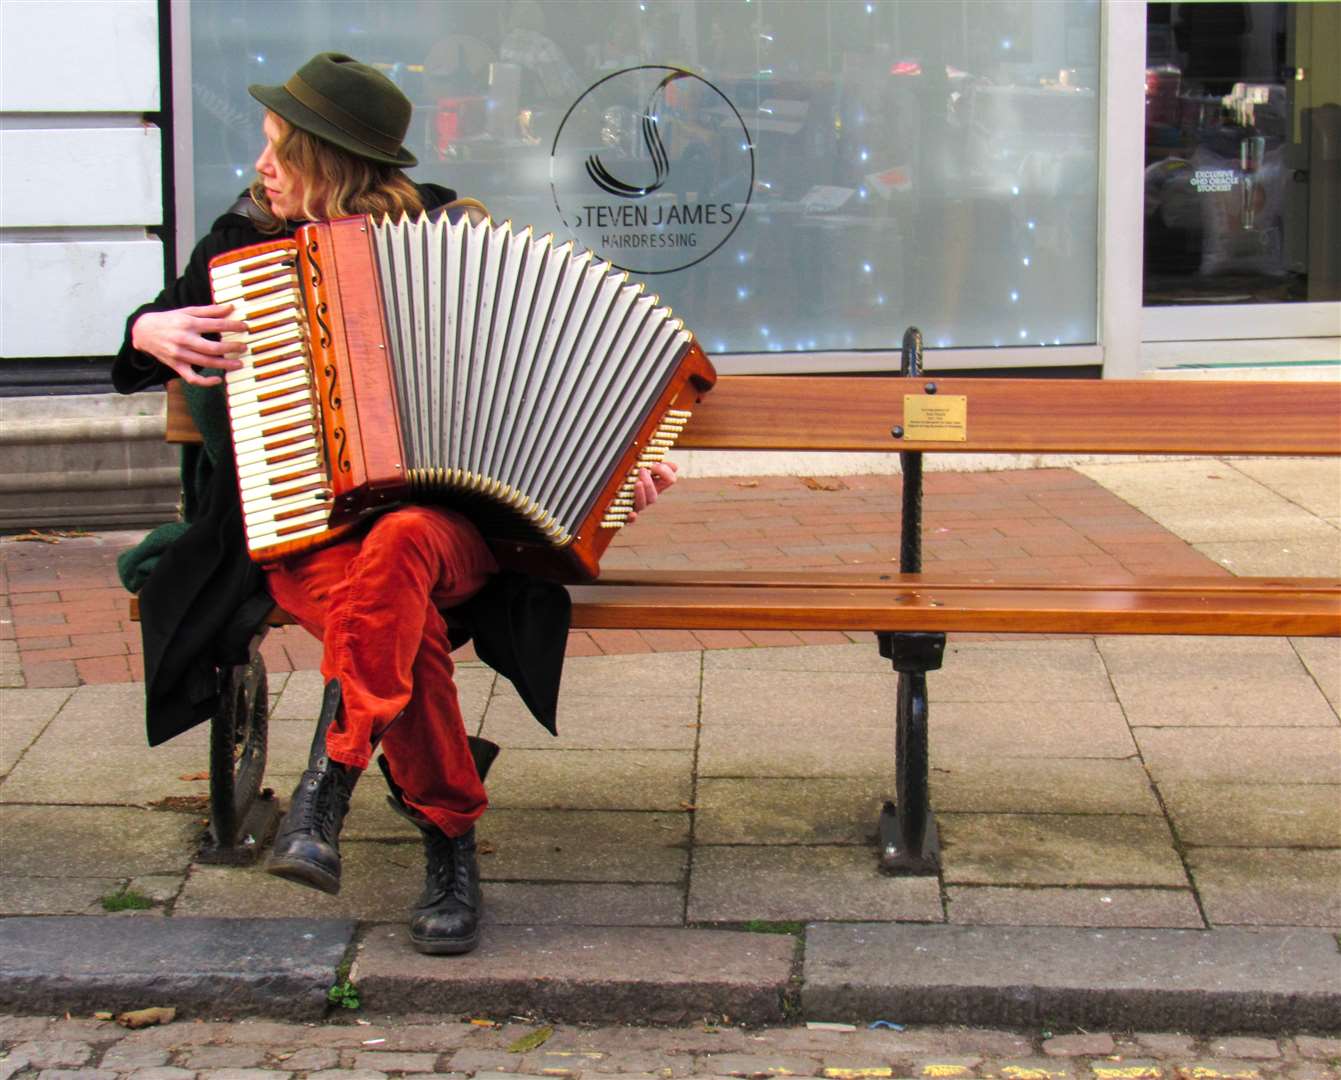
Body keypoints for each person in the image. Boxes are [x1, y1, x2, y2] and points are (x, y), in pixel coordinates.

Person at [114, 52, 676, 955]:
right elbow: (141, 347)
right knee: (395, 604)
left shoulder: (453, 234)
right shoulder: (238, 246)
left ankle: (329, 779)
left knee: (407, 537)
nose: (261, 167)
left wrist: (619, 466)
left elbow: (552, 373)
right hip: (302, 532)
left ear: (333, 163)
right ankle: (450, 838)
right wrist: (147, 328)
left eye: (280, 150)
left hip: (453, 529)